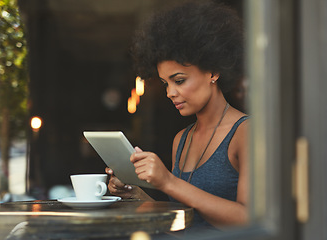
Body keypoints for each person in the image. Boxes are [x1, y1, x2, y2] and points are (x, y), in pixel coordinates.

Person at [106, 0, 249, 229]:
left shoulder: (244, 132)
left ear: (213, 71)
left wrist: (168, 181)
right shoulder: (181, 140)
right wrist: (133, 193)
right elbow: (181, 220)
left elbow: (249, 220)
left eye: (179, 80)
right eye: (165, 83)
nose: (170, 93)